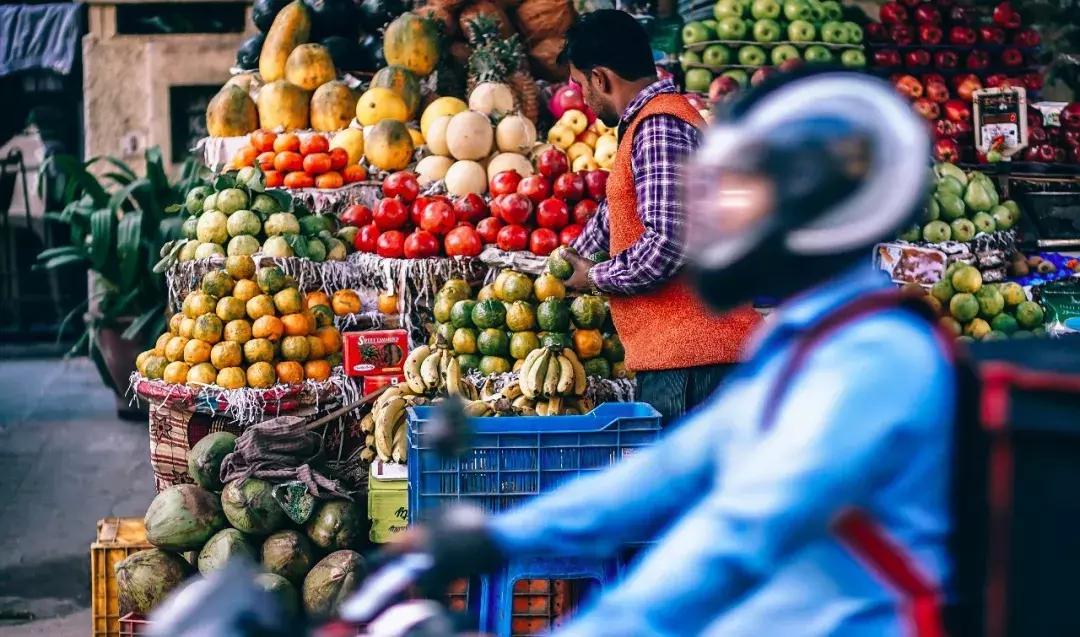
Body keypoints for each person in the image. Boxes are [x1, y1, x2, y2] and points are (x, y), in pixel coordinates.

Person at [392, 69, 954, 636]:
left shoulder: (873, 357)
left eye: (747, 196)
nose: (720, 219)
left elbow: (733, 541)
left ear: (808, 215)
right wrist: (499, 536)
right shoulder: (801, 342)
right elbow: (671, 468)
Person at [558, 10, 761, 423]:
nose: (583, 99)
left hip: (693, 363)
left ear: (600, 78)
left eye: (580, 85)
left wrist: (593, 277)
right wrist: (565, 262)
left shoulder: (659, 126)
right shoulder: (647, 124)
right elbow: (616, 212)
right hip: (686, 359)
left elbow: (669, 241)